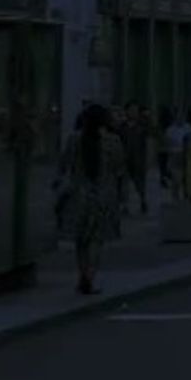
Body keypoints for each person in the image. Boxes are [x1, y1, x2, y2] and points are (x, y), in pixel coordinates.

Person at [59, 104, 126, 295]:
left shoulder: (74, 139)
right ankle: (90, 276)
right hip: (104, 196)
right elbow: (119, 168)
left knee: (80, 240)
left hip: (79, 195)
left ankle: (82, 274)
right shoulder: (112, 141)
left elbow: (64, 165)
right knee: (97, 240)